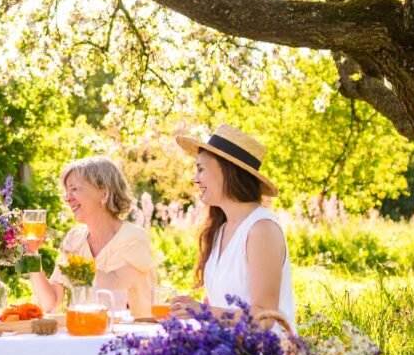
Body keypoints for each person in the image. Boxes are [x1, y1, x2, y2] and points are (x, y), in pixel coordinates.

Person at [169, 124, 296, 326]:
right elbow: (224, 305)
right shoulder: (220, 230)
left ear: (228, 171)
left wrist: (203, 311)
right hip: (227, 352)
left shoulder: (262, 229)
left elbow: (266, 318)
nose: (195, 179)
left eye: (201, 169)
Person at [27, 156, 156, 317]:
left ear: (104, 192)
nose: (67, 198)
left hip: (129, 336)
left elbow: (113, 292)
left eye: (74, 189)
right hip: (85, 332)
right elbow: (51, 303)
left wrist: (72, 263)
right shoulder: (75, 239)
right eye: (66, 191)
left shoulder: (134, 237)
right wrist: (32, 255)